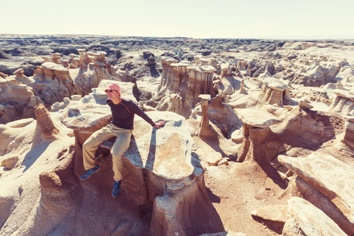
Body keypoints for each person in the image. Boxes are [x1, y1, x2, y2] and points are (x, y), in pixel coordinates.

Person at [79, 83, 164, 198]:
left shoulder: (128, 104)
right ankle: (91, 167)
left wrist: (154, 124)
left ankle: (117, 180)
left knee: (115, 153)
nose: (108, 93)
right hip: (111, 127)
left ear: (118, 93)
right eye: (107, 91)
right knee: (87, 144)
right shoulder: (109, 102)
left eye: (111, 91)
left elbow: (142, 114)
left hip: (125, 131)